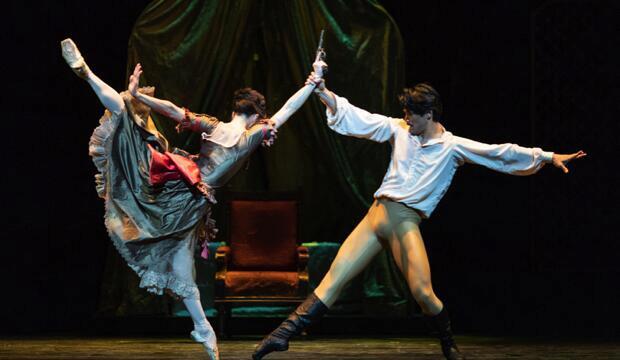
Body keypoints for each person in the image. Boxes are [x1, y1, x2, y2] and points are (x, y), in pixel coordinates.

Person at [253, 67, 586, 360]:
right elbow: (359, 118)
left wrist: (547, 156)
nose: (407, 118)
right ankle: (281, 336)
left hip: (405, 222)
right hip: (375, 216)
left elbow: (500, 154)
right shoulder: (399, 129)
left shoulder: (452, 147)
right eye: (406, 113)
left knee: (424, 293)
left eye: (412, 114)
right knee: (332, 281)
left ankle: (447, 342)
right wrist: (323, 92)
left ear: (430, 114)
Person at [61, 38, 326, 360]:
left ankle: (202, 327)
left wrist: (136, 95)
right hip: (191, 198)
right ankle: (202, 326)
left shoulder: (213, 125)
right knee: (180, 263)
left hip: (173, 180)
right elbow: (288, 110)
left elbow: (172, 109)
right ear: (257, 114)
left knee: (128, 117)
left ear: (234, 111)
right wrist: (312, 83)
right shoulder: (251, 135)